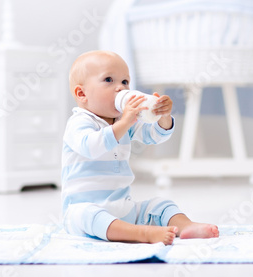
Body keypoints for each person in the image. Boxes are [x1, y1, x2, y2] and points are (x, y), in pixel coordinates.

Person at [62, 50, 219, 245]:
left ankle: (186, 226)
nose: (120, 88)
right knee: (84, 214)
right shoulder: (79, 122)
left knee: (160, 204)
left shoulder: (123, 120)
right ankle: (141, 233)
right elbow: (90, 146)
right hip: (86, 211)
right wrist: (124, 123)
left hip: (123, 208)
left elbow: (152, 135)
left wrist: (163, 116)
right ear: (82, 93)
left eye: (125, 82)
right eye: (109, 80)